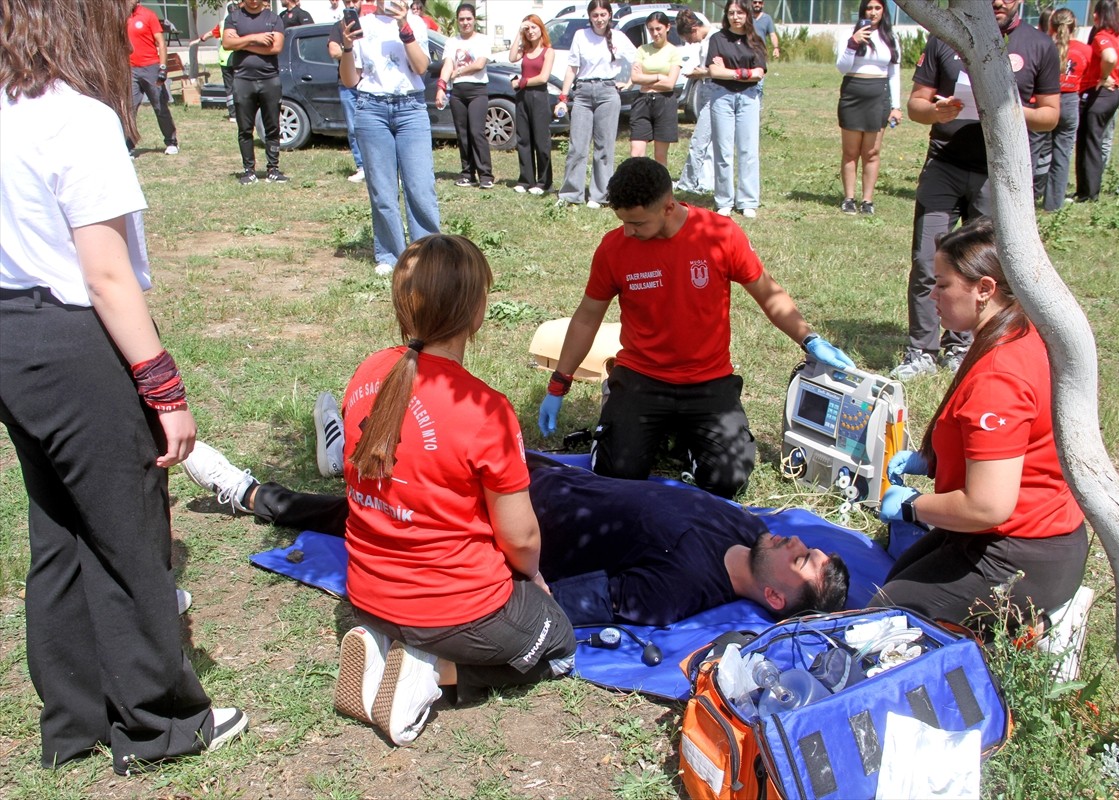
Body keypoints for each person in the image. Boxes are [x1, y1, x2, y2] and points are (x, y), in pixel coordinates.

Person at [0, 0, 247, 774]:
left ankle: (73, 722)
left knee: (60, 532)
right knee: (130, 536)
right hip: (73, 338)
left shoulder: (10, 107)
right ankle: (159, 724)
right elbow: (105, 273)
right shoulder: (74, 116)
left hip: (13, 334)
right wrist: (163, 388)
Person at [182, 440, 851, 627]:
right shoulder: (745, 524)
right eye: (810, 545)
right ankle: (350, 450)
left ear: (774, 601)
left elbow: (552, 597)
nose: (800, 544)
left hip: (497, 517)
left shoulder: (676, 592)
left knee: (367, 514)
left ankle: (252, 494)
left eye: (806, 564)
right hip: (528, 467)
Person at [343, 235, 579, 742]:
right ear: (476, 312)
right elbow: (519, 539)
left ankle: (392, 647)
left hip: (367, 593)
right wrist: (533, 580)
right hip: (451, 609)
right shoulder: (484, 409)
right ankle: (430, 674)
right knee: (559, 643)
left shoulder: (367, 372)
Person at [536, 158, 853, 499]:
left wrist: (810, 338)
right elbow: (587, 317)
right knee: (617, 475)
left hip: (708, 379)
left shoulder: (720, 234)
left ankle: (684, 440)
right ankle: (630, 418)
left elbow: (768, 294)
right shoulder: (614, 248)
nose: (628, 231)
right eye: (623, 222)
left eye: (637, 223)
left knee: (727, 478)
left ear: (668, 207)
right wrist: (559, 384)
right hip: (642, 376)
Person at [875, 218, 1088, 634]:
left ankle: (1035, 629)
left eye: (942, 284)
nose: (931, 294)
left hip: (1022, 553)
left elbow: (987, 506)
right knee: (899, 576)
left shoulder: (999, 377)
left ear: (985, 289)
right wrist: (933, 460)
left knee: (889, 621)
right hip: (1020, 534)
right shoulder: (1018, 332)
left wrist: (912, 505)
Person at [893, 0, 1059, 381]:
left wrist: (1005, 109)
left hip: (998, 174)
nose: (999, 1)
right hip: (944, 166)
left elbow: (1050, 115)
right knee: (926, 258)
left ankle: (964, 344)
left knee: (983, 266)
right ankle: (921, 349)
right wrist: (937, 111)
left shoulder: (1037, 44)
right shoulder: (945, 40)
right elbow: (916, 104)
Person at [338, 0, 440, 276]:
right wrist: (347, 46)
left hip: (411, 109)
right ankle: (391, 254)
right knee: (382, 190)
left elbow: (421, 67)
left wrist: (403, 26)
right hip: (371, 108)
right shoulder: (362, 25)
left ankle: (428, 253)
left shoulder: (416, 23)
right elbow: (350, 80)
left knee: (420, 187)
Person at [554, 0, 637, 209]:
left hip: (608, 92)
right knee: (577, 146)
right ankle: (571, 194)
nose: (599, 19)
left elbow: (638, 59)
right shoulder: (581, 36)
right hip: (582, 92)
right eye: (595, 15)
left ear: (609, 15)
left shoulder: (618, 37)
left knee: (604, 147)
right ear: (590, 17)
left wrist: (630, 81)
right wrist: (563, 96)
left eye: (603, 14)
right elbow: (572, 68)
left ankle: (599, 195)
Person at [835, 0, 902, 216]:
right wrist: (853, 43)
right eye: (869, 8)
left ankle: (867, 200)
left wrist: (896, 106)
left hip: (878, 97)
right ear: (862, 10)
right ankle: (849, 198)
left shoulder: (891, 37)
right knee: (851, 152)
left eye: (877, 8)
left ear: (884, 11)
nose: (872, 13)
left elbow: (894, 73)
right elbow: (842, 67)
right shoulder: (849, 34)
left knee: (872, 152)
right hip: (853, 95)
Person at [707, 0, 768, 218]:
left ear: (747, 15)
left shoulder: (756, 41)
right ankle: (724, 200)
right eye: (731, 13)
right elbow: (714, 71)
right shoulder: (717, 39)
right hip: (722, 97)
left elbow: (759, 72)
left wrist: (732, 71)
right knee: (723, 150)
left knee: (748, 149)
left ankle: (747, 200)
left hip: (749, 98)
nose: (735, 17)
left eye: (740, 13)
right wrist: (743, 73)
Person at [1074, 0, 1119, 202]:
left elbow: (1109, 57)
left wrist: (1105, 75)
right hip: (1114, 94)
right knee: (1091, 140)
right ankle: (1085, 189)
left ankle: (1089, 193)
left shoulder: (1103, 36)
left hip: (1101, 94)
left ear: (1099, 15)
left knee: (1089, 142)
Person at [222, 0, 287, 184]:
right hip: (243, 80)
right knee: (245, 128)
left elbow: (276, 47)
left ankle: (273, 168)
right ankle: (248, 170)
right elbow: (227, 43)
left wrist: (241, 42)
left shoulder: (274, 19)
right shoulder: (233, 18)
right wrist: (256, 38)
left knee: (272, 126)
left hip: (269, 79)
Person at [437, 3, 494, 189]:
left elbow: (479, 64)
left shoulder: (483, 40)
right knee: (462, 134)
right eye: (461, 19)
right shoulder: (452, 42)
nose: (465, 22)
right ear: (457, 21)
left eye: (468, 18)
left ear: (474, 20)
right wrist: (441, 86)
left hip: (477, 91)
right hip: (457, 93)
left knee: (476, 131)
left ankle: (485, 175)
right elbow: (447, 65)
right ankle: (467, 174)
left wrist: (458, 71)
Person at [1042, 8, 1090, 212]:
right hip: (1070, 101)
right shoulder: (1085, 50)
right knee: (1062, 155)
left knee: (1033, 151)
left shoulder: (1044, 47)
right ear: (1074, 27)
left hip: (1045, 101)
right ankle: (1054, 204)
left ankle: (1028, 196)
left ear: (1051, 26)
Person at [508, 14, 555, 195]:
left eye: (533, 28)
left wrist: (521, 82)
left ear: (541, 28)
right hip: (523, 97)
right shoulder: (525, 50)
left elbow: (543, 77)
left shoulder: (548, 51)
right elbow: (512, 57)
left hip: (539, 96)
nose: (530, 32)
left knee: (541, 141)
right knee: (524, 138)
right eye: (527, 29)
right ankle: (526, 179)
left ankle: (544, 183)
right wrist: (518, 32)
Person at [629, 11, 682, 165]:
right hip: (642, 102)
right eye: (651, 29)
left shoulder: (674, 51)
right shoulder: (642, 49)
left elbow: (670, 83)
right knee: (636, 154)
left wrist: (645, 80)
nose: (655, 33)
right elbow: (635, 78)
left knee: (660, 156)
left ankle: (660, 188)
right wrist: (659, 77)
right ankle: (638, 187)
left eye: (658, 28)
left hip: (664, 102)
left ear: (667, 27)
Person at [127, 0, 179, 156]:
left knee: (159, 107)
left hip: (150, 67)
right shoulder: (121, 17)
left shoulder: (148, 15)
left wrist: (162, 68)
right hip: (131, 69)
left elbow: (161, 43)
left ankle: (171, 142)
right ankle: (128, 144)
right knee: (129, 109)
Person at [673, 9, 715, 195]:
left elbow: (719, 69)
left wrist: (701, 73)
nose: (689, 42)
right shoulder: (706, 41)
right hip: (707, 89)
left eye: (688, 38)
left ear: (695, 28)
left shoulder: (715, 39)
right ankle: (705, 182)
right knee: (708, 140)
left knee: (700, 140)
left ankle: (688, 183)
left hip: (714, 92)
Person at [326, 0, 365, 183]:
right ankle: (362, 166)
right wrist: (352, 52)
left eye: (354, 0)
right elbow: (334, 51)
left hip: (370, 84)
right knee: (353, 128)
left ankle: (383, 166)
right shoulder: (338, 27)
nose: (351, 4)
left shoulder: (370, 23)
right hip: (347, 85)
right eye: (347, 1)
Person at [191, 3, 238, 124]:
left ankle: (232, 114)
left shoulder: (223, 24)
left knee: (229, 88)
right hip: (239, 58)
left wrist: (198, 40)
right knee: (241, 86)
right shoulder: (242, 22)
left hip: (225, 60)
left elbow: (210, 34)